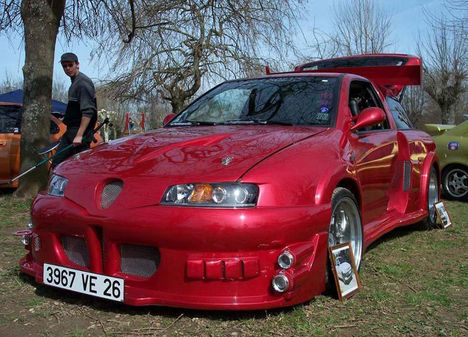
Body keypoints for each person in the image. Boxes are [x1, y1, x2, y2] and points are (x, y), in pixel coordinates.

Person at [52, 52, 97, 168]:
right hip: (71, 132)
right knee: (60, 165)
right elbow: (75, 109)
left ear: (77, 64)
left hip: (80, 134)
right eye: (64, 66)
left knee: (74, 167)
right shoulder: (74, 82)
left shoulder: (82, 83)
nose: (67, 68)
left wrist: (79, 135)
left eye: (70, 65)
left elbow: (88, 112)